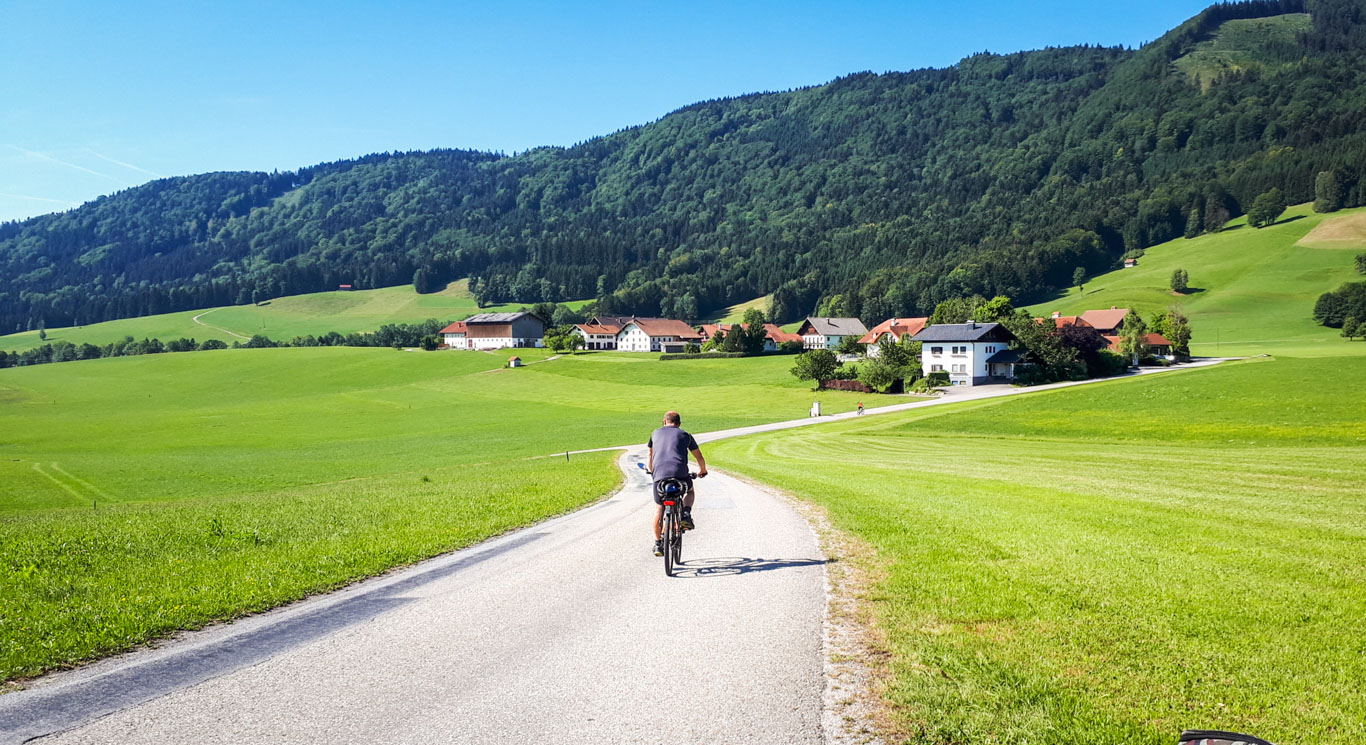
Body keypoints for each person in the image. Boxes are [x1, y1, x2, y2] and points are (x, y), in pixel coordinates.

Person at [647, 410, 707, 556]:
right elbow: (699, 456)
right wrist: (702, 471)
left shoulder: (655, 433)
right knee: (690, 491)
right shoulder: (685, 435)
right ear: (679, 424)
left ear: (664, 421)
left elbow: (650, 454)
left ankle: (658, 544)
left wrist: (652, 471)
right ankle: (686, 514)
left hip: (659, 477)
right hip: (680, 475)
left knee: (659, 509)